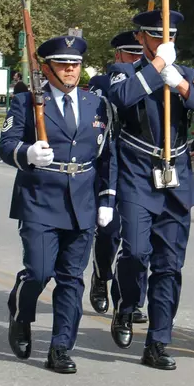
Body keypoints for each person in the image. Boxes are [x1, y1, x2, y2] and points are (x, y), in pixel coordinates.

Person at [0, 35, 116, 374]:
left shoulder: (97, 104)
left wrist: (107, 197)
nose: (70, 70)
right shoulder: (26, 102)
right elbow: (6, 146)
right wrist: (27, 153)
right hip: (40, 198)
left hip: (83, 201)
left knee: (71, 279)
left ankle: (61, 347)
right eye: (63, 64)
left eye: (75, 64)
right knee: (39, 271)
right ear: (46, 68)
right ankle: (20, 313)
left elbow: (108, 156)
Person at [106, 10, 194, 370]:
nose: (165, 41)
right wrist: (156, 68)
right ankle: (126, 305)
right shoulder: (123, 71)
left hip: (176, 175)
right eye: (156, 36)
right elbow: (122, 98)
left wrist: (181, 86)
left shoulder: (189, 75)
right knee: (136, 252)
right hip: (138, 172)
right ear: (141, 38)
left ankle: (157, 342)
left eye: (170, 36)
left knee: (169, 265)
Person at [85, 30, 147, 324]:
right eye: (132, 55)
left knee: (140, 240)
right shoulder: (102, 83)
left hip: (142, 165)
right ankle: (101, 275)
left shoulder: (153, 78)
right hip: (111, 163)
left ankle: (131, 299)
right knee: (109, 232)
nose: (138, 59)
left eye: (141, 54)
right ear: (118, 56)